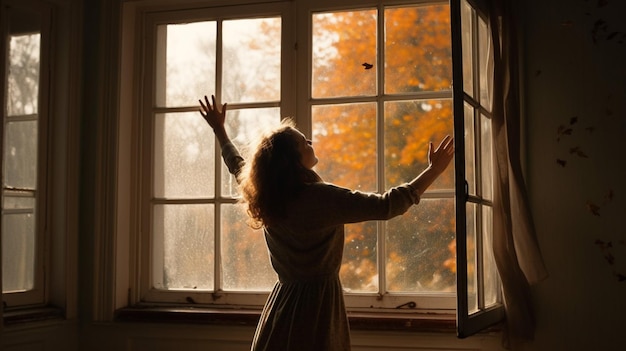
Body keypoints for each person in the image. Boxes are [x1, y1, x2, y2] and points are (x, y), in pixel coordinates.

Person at [199, 95, 454, 351]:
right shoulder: (319, 197)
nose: (310, 142)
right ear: (293, 159)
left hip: (282, 305)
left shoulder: (267, 194)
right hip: (316, 308)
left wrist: (220, 130)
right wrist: (434, 170)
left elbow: (237, 165)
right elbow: (388, 205)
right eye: (304, 142)